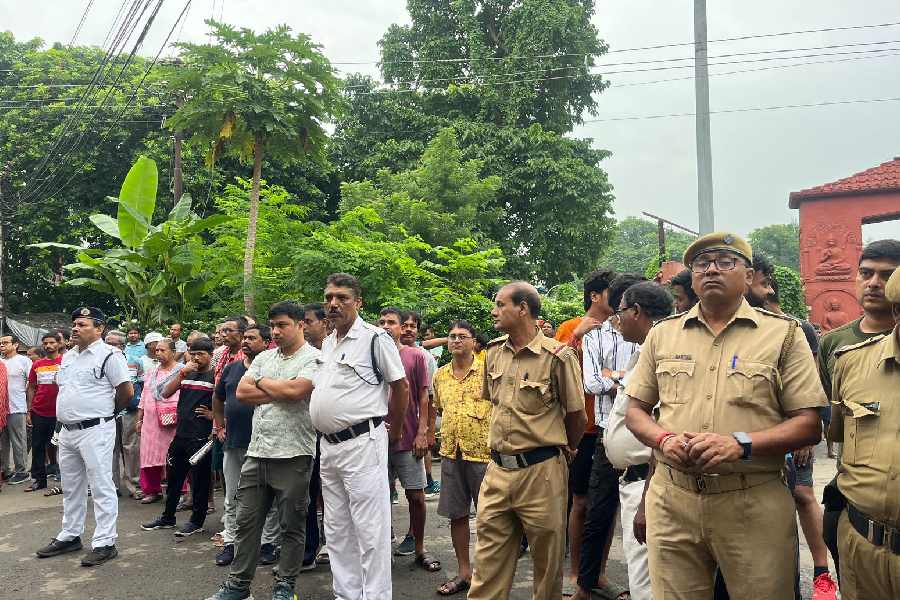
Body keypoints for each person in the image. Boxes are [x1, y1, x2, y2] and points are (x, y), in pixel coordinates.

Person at [624, 233, 827, 600]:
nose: (712, 270)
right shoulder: (662, 335)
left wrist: (740, 444)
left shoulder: (783, 335)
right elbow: (635, 411)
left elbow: (810, 423)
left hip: (752, 501)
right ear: (692, 278)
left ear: (748, 276)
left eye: (725, 261)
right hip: (672, 500)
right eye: (702, 264)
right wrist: (664, 440)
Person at [468, 281, 586, 600]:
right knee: (487, 562)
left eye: (500, 304)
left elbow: (577, 415)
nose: (493, 311)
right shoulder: (493, 352)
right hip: (497, 470)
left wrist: (566, 449)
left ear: (522, 309)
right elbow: (495, 403)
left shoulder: (558, 356)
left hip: (541, 472)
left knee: (547, 565)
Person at [206, 301, 321, 600]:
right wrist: (280, 388)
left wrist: (262, 382)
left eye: (283, 325)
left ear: (300, 325)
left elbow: (297, 392)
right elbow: (242, 393)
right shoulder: (264, 357)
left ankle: (285, 586)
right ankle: (238, 586)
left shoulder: (315, 358)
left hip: (295, 453)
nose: (277, 331)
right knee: (246, 522)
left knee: (291, 524)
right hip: (257, 452)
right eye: (273, 326)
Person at [310, 273, 409, 600]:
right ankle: (347, 594)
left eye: (342, 297)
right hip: (328, 446)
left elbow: (401, 387)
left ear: (358, 302)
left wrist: (394, 430)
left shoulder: (375, 338)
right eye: (329, 297)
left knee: (370, 529)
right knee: (337, 529)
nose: (333, 303)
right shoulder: (327, 342)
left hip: (362, 443)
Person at [744, 255, 837, 599]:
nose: (762, 288)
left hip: (792, 431)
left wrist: (806, 435)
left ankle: (822, 572)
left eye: (761, 281)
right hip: (754, 434)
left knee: (802, 494)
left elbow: (812, 386)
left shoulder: (795, 329)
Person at [819, 238, 900, 577]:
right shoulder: (836, 346)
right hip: (857, 509)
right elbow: (834, 414)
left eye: (886, 275)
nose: (874, 284)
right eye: (866, 274)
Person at [35, 307, 133, 567]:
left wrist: (107, 414)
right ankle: (70, 535)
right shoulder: (68, 356)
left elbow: (126, 391)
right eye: (74, 324)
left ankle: (105, 542)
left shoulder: (110, 355)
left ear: (99, 329)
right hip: (67, 431)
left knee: (101, 486)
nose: (75, 328)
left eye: (82, 324)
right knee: (71, 486)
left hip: (95, 429)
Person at [574, 273, 643, 600]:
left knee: (642, 514)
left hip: (647, 436)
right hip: (608, 433)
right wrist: (629, 382)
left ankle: (644, 588)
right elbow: (591, 383)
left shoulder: (655, 333)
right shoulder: (594, 334)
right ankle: (585, 585)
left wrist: (613, 378)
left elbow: (647, 382)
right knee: (598, 512)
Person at [605, 281, 674, 600]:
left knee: (648, 581)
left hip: (648, 481)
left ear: (636, 311)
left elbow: (664, 429)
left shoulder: (661, 354)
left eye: (619, 312)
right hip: (636, 481)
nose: (616, 319)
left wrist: (646, 501)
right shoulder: (644, 353)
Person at [554, 267, 615, 596]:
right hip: (580, 429)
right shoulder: (569, 327)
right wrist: (578, 334)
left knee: (608, 503)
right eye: (611, 291)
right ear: (595, 295)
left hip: (611, 427)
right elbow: (552, 365)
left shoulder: (621, 328)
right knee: (580, 501)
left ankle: (599, 573)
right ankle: (577, 573)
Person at [210, 325, 280, 568]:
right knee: (232, 496)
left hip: (266, 443)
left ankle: (268, 543)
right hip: (234, 442)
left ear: (266, 342)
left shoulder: (273, 368)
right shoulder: (232, 369)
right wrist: (219, 426)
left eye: (252, 338)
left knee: (269, 496)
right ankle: (231, 542)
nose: (246, 341)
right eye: (245, 338)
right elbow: (218, 398)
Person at [432, 320, 490, 596]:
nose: (456, 340)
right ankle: (464, 572)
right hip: (451, 453)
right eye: (452, 336)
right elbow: (439, 408)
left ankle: (488, 576)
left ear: (474, 341)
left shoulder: (487, 370)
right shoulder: (441, 374)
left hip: (483, 454)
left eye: (462, 336)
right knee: (457, 514)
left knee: (490, 518)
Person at [378, 308, 437, 570]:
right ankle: (382, 550)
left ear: (402, 328)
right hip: (376, 439)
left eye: (391, 322)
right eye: (381, 322)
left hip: (409, 437)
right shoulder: (372, 355)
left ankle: (420, 547)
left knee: (416, 496)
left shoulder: (416, 356)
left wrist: (423, 432)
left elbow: (424, 396)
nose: (386, 326)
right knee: (379, 498)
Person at [141, 337, 215, 537]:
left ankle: (197, 521)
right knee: (174, 478)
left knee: (200, 481)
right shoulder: (186, 373)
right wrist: (182, 373)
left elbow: (223, 400)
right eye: (193, 354)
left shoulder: (215, 375)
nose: (196, 358)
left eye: (201, 354)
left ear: (211, 355)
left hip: (201, 437)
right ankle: (168, 517)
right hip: (181, 434)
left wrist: (213, 415)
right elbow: (165, 393)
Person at [399, 311, 441, 499]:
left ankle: (428, 482)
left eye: (413, 326)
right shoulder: (387, 353)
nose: (408, 330)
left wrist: (429, 431)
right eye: (405, 325)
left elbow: (431, 397)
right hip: (390, 428)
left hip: (415, 426)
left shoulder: (425, 357)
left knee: (415, 492)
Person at [135, 334, 180, 504]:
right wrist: (139, 419)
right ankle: (152, 490)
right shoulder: (152, 372)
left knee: (175, 456)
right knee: (149, 455)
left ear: (173, 352)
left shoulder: (182, 371)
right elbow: (144, 396)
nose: (158, 353)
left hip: (172, 420)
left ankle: (180, 490)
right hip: (151, 422)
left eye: (162, 350)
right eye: (157, 350)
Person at [300, 302, 328, 569]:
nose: (304, 327)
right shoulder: (300, 354)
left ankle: (331, 543)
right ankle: (308, 548)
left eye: (308, 321)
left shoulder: (334, 351)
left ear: (324, 323)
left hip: (332, 435)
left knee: (331, 492)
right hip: (304, 435)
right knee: (306, 493)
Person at [24, 331, 64, 493]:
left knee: (62, 447)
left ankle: (64, 481)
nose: (48, 346)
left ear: (59, 344)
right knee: (38, 446)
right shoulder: (37, 365)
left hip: (61, 412)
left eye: (52, 342)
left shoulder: (66, 362)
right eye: (45, 343)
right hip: (39, 412)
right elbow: (31, 388)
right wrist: (29, 410)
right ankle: (39, 480)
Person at [106, 330, 142, 498]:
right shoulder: (98, 361)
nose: (110, 347)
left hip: (129, 410)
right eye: (107, 344)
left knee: (131, 447)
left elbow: (141, 385)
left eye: (114, 344)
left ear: (122, 346)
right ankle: (111, 486)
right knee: (109, 448)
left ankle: (134, 484)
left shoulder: (135, 361)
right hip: (107, 411)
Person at [0, 334, 33, 485]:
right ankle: (5, 470)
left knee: (18, 441)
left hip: (17, 407)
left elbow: (31, 384)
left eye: (5, 342)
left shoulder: (24, 361)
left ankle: (21, 472)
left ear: (15, 345)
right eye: (1, 343)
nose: (2, 345)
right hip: (1, 409)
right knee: (2, 443)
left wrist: (29, 409)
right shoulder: (0, 362)